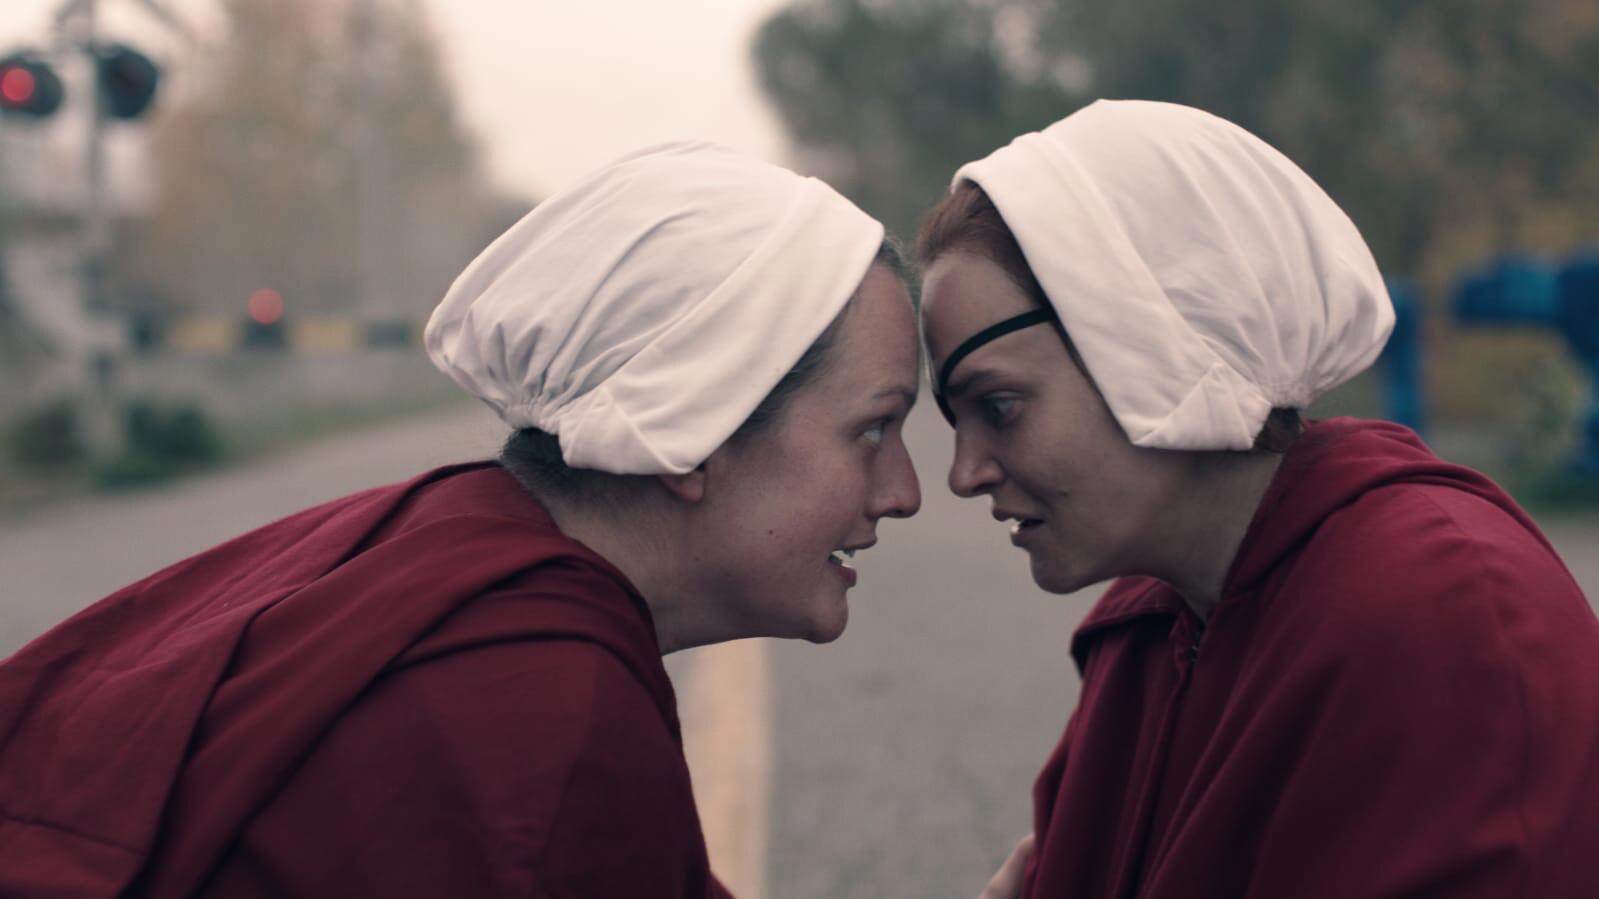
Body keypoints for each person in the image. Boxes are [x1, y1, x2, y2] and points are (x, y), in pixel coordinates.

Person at [0, 142, 922, 898]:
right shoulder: (545, 708)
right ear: (693, 435)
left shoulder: (437, 531)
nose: (905, 488)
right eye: (872, 428)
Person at [918, 100, 1599, 899]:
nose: (963, 473)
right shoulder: (1145, 624)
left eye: (997, 406)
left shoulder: (1438, 615)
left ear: (1153, 343)